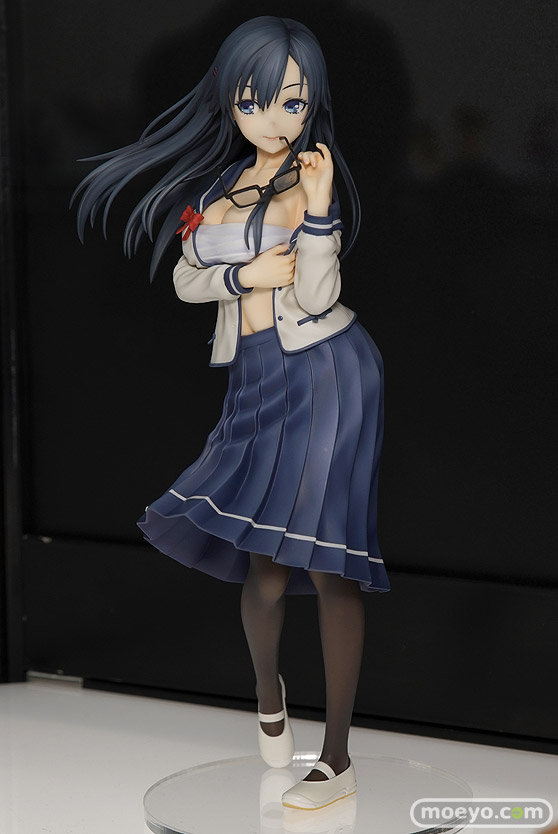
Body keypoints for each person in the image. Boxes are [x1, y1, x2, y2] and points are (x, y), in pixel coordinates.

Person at [72, 15, 391, 811]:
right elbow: (188, 280)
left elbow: (317, 292)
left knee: (328, 557)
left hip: (328, 374)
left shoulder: (312, 178)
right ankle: (267, 693)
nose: (273, 119)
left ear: (313, 102)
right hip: (254, 378)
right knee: (263, 565)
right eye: (254, 102)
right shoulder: (219, 188)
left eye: (291, 102)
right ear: (230, 101)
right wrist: (245, 277)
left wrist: (319, 212)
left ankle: (337, 758)